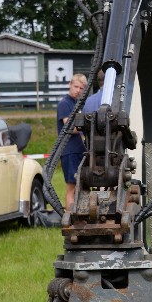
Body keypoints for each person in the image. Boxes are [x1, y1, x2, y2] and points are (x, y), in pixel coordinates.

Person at [56, 74, 87, 206]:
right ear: (70, 84)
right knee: (71, 188)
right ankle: (70, 219)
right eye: (76, 87)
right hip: (69, 150)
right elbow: (70, 128)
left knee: (80, 187)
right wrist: (85, 126)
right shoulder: (64, 104)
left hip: (79, 150)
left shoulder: (77, 104)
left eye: (81, 88)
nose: (78, 90)